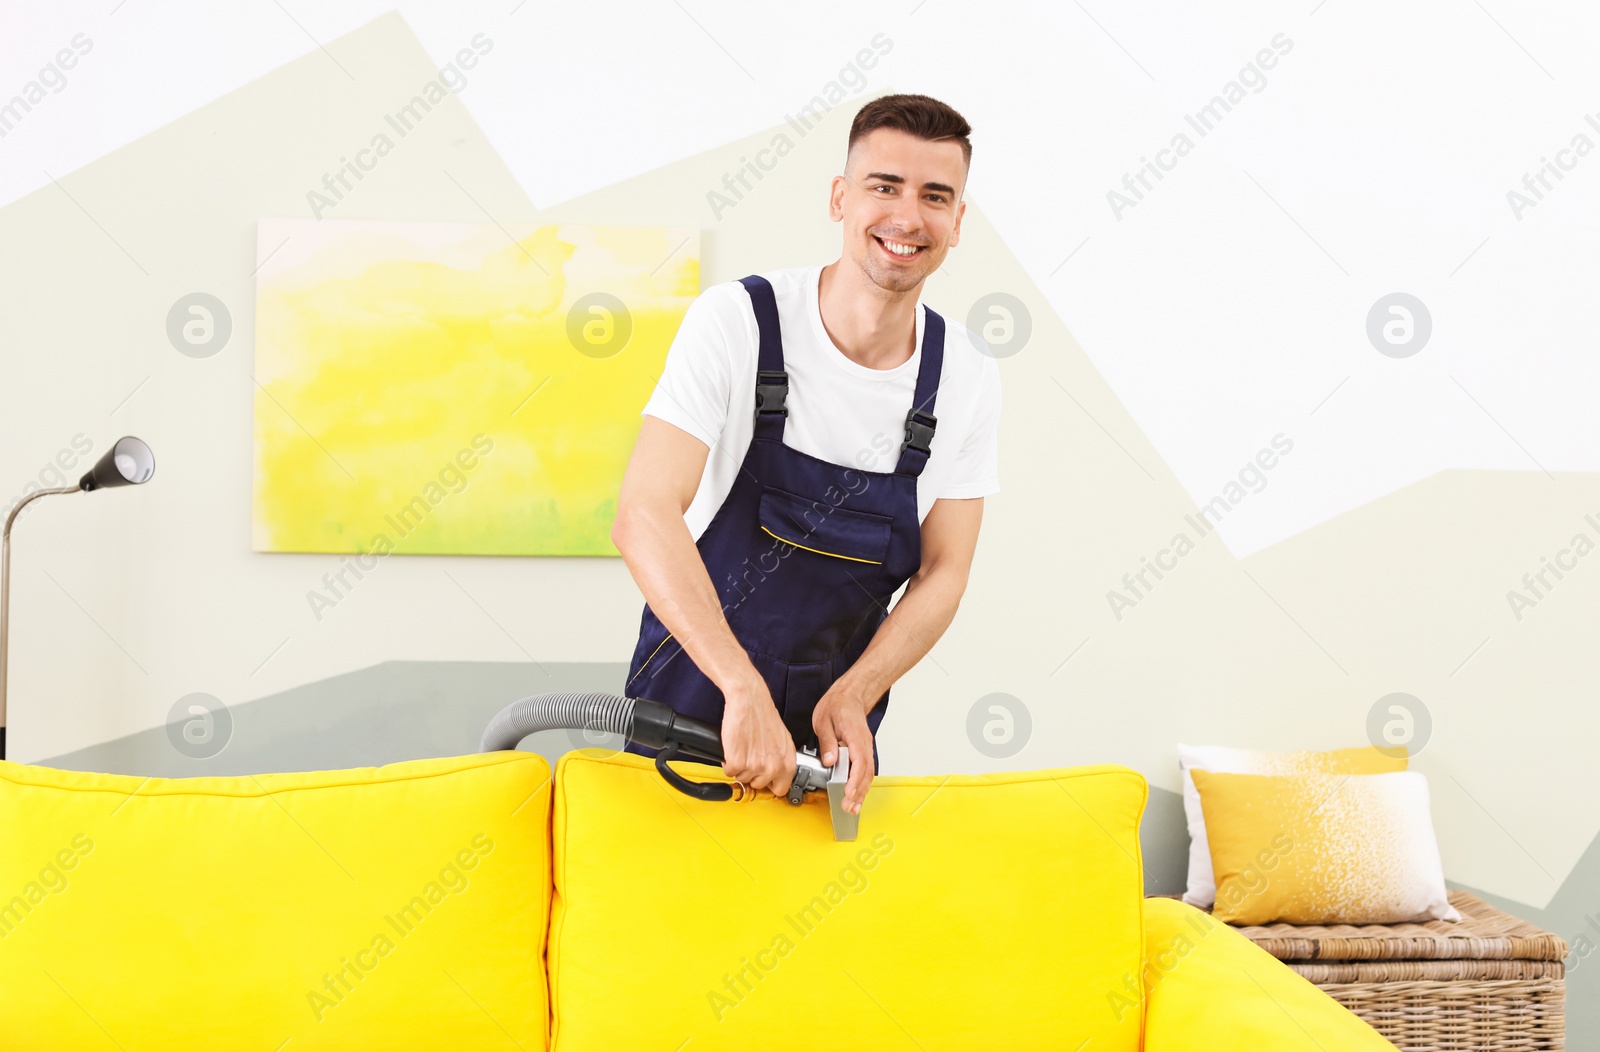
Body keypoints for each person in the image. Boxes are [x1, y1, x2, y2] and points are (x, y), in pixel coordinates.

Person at [610, 93, 1001, 817]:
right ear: (840, 198)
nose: (908, 217)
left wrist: (860, 689)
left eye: (935, 196)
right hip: (685, 715)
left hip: (830, 753)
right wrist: (740, 686)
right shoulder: (740, 323)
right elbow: (643, 514)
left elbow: (947, 570)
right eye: (884, 187)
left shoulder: (967, 377)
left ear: (957, 221)